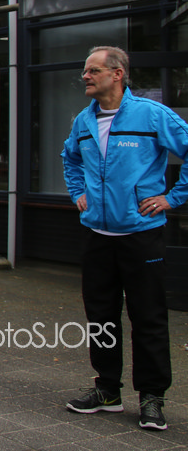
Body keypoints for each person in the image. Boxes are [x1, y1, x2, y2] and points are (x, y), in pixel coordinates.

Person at [62, 45, 188, 432]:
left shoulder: (151, 115)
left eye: (93, 70)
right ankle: (107, 391)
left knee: (147, 317)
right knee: (101, 317)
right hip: (97, 236)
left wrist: (172, 198)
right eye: (85, 71)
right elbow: (70, 158)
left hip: (140, 235)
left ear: (117, 74)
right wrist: (77, 192)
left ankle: (152, 397)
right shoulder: (84, 121)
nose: (85, 76)